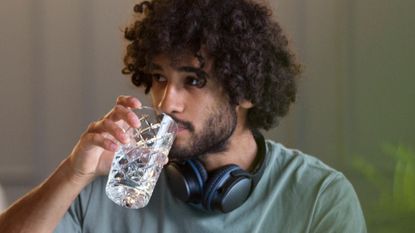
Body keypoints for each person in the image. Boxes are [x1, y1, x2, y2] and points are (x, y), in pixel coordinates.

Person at [0, 0, 367, 232]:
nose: (165, 102)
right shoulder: (108, 182)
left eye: (193, 80)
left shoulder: (320, 197)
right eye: (160, 77)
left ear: (246, 90)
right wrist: (71, 174)